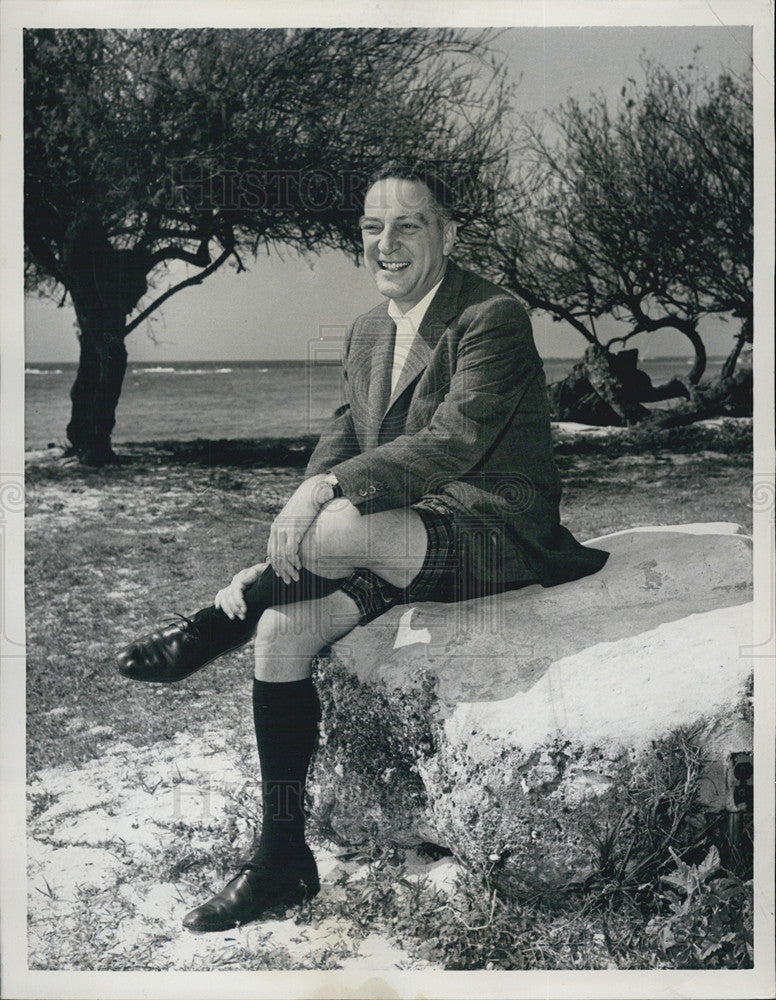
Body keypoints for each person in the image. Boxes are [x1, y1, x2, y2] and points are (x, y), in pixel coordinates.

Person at [117, 162, 608, 933]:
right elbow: (345, 434)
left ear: (448, 233)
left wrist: (320, 501)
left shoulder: (493, 317)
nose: (387, 243)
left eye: (408, 225)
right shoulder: (367, 329)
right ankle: (282, 858)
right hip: (400, 537)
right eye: (372, 227)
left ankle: (212, 623)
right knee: (281, 634)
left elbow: (453, 442)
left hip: (491, 530)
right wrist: (297, 513)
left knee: (337, 525)